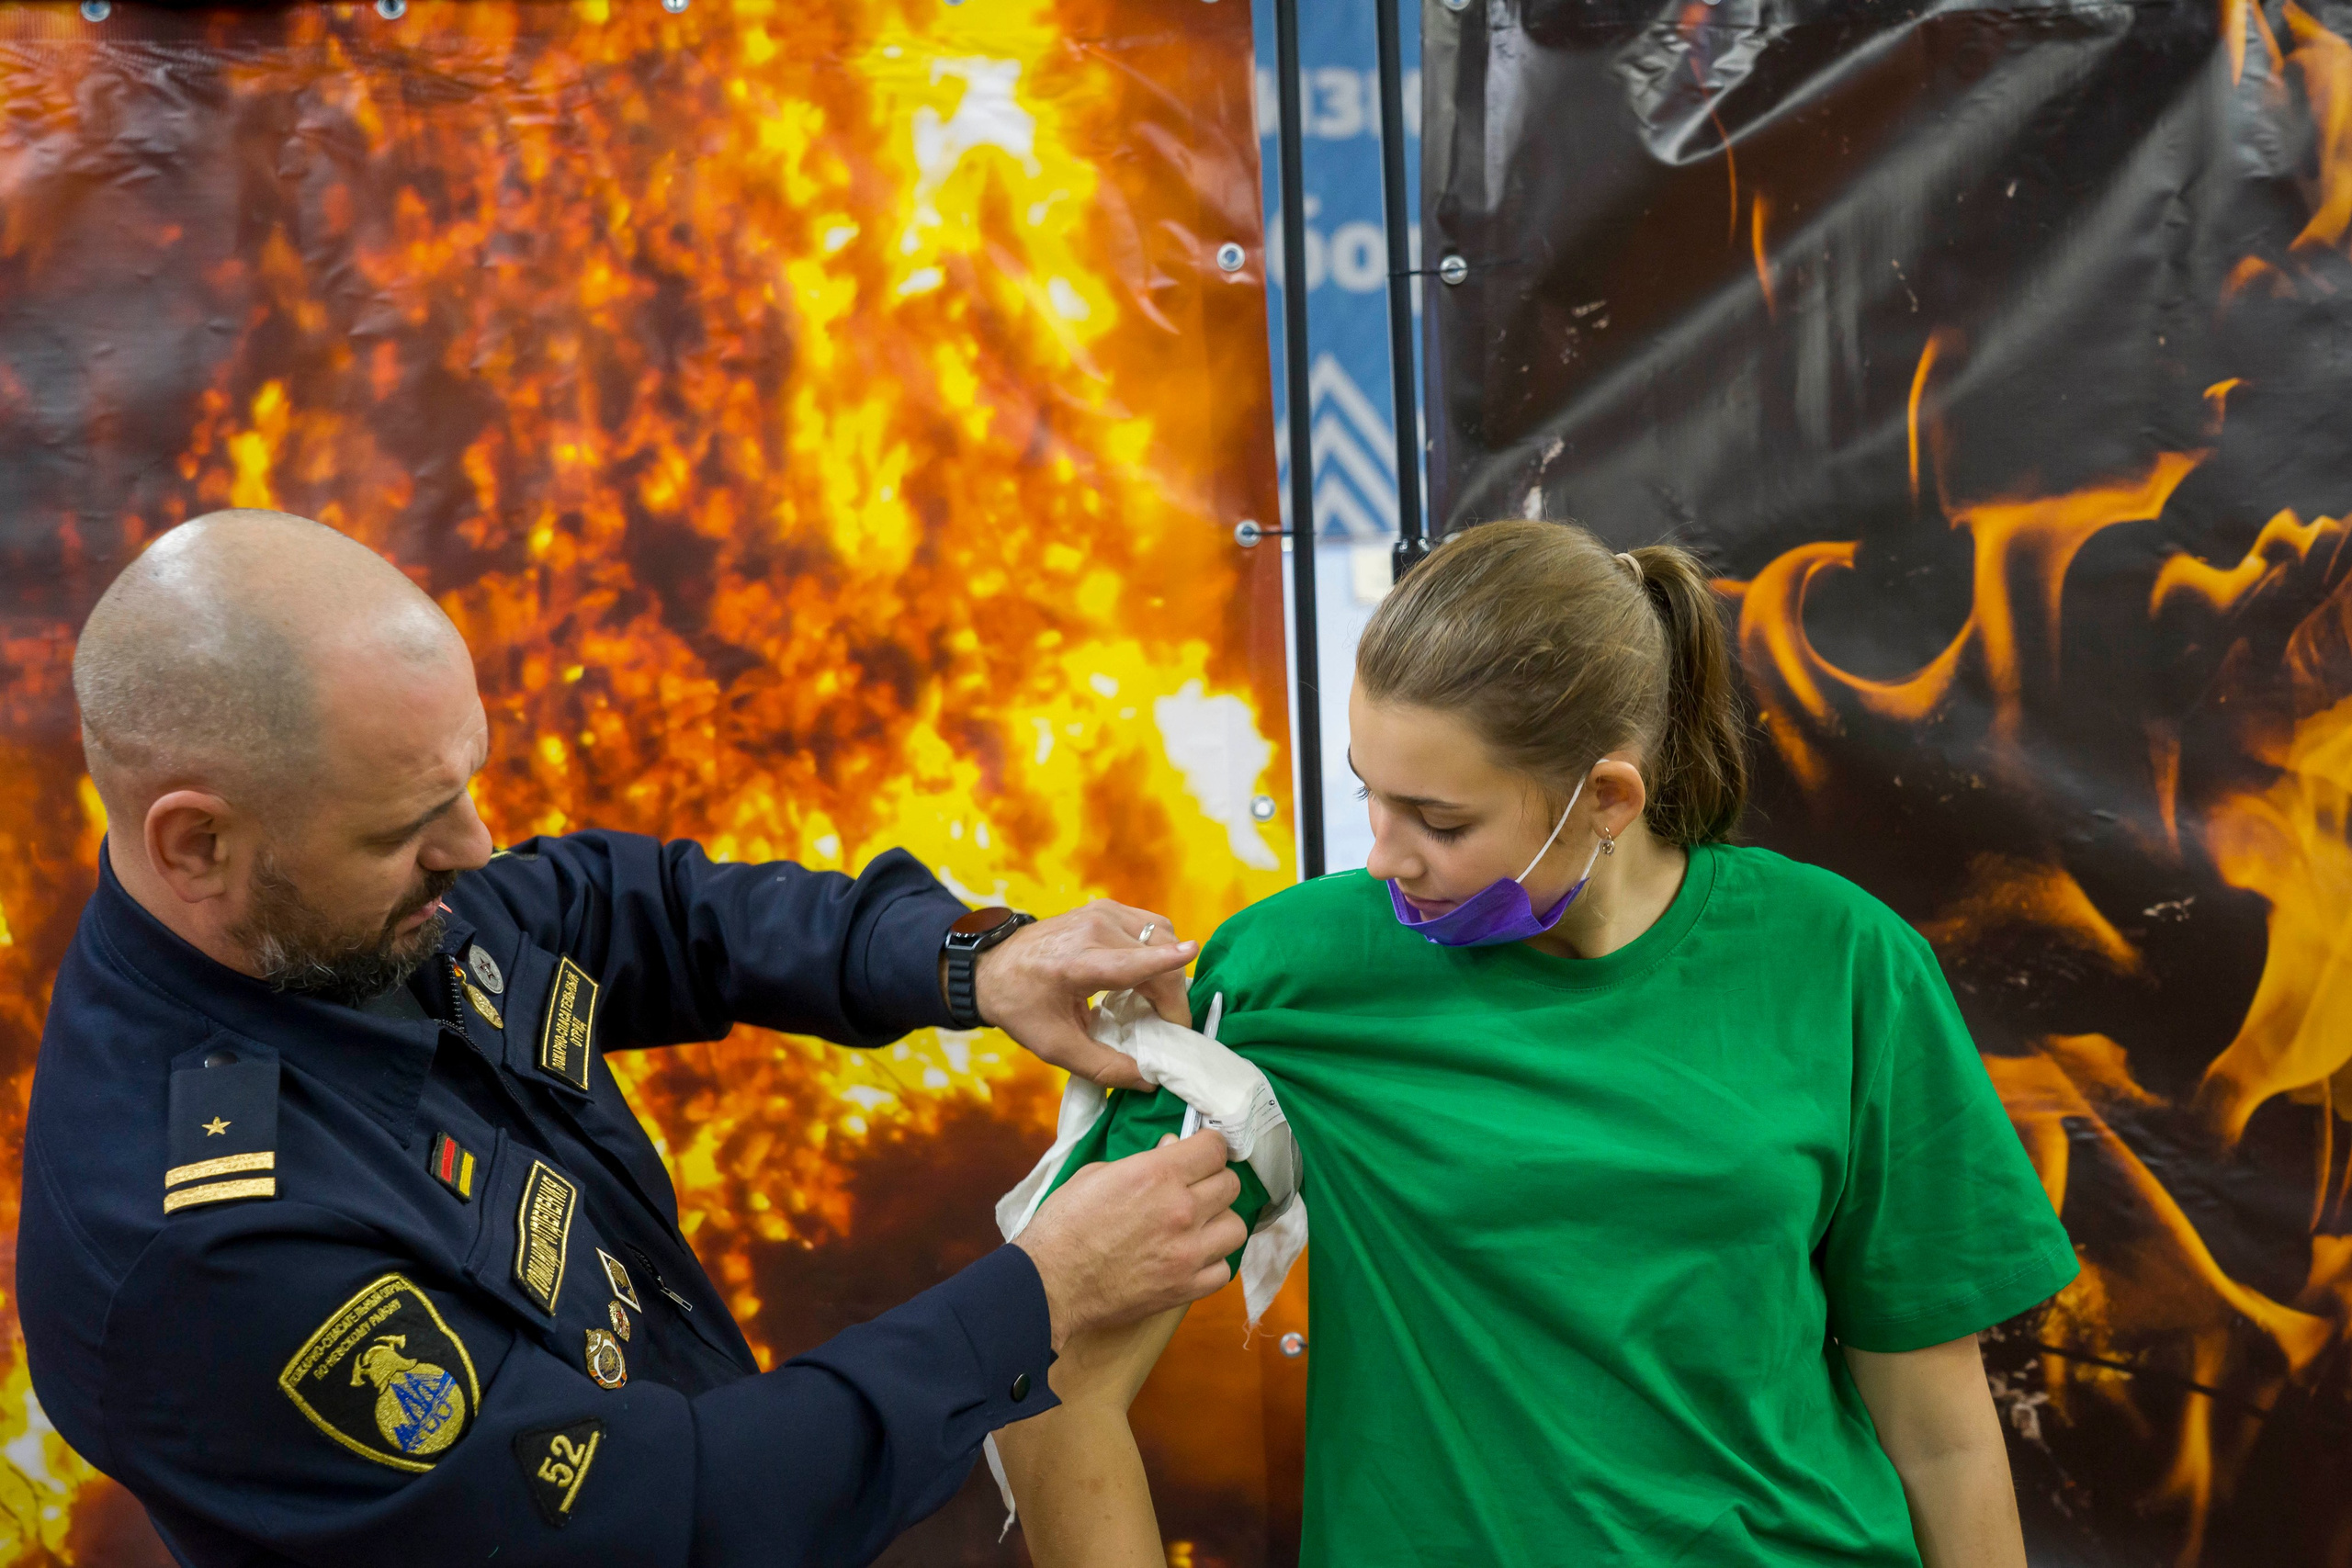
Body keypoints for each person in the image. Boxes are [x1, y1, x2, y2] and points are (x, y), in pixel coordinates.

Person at [19, 509, 1249, 1566]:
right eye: (409, 822)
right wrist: (1042, 1294)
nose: (477, 846)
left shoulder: (341, 906)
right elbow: (671, 1521)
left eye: (467, 781)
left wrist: (971, 959)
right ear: (198, 845)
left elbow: (641, 910)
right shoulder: (205, 1247)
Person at [996, 521, 2078, 1568]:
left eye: (1440, 821)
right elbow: (1051, 1378)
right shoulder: (1284, 979)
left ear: (1606, 798)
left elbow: (1937, 1430)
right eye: (1369, 793)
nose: (1383, 860)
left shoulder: (1843, 962)